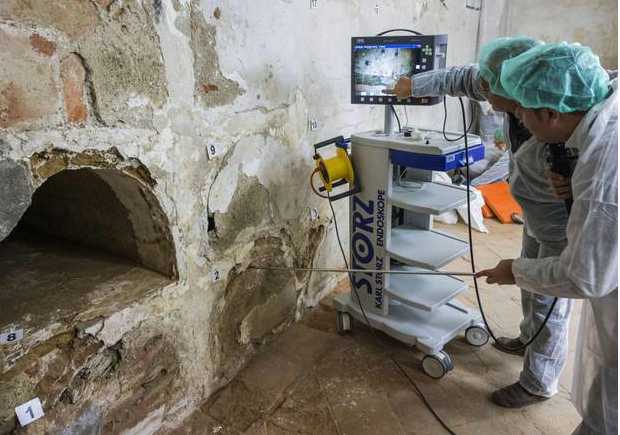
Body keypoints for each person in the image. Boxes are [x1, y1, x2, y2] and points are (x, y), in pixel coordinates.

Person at [383, 36, 574, 409]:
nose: (481, 91)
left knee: (548, 298)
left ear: (517, 92)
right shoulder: (505, 86)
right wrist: (413, 85)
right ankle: (528, 338)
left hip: (559, 221)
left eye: (489, 87)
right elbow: (460, 77)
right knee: (531, 287)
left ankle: (539, 383)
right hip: (534, 212)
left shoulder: (554, 110)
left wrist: (578, 179)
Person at [477, 42, 618, 435]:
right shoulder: (601, 110)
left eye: (522, 109)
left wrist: (515, 271)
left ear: (551, 114)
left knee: (612, 398)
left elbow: (584, 276)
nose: (517, 114)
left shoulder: (605, 171)